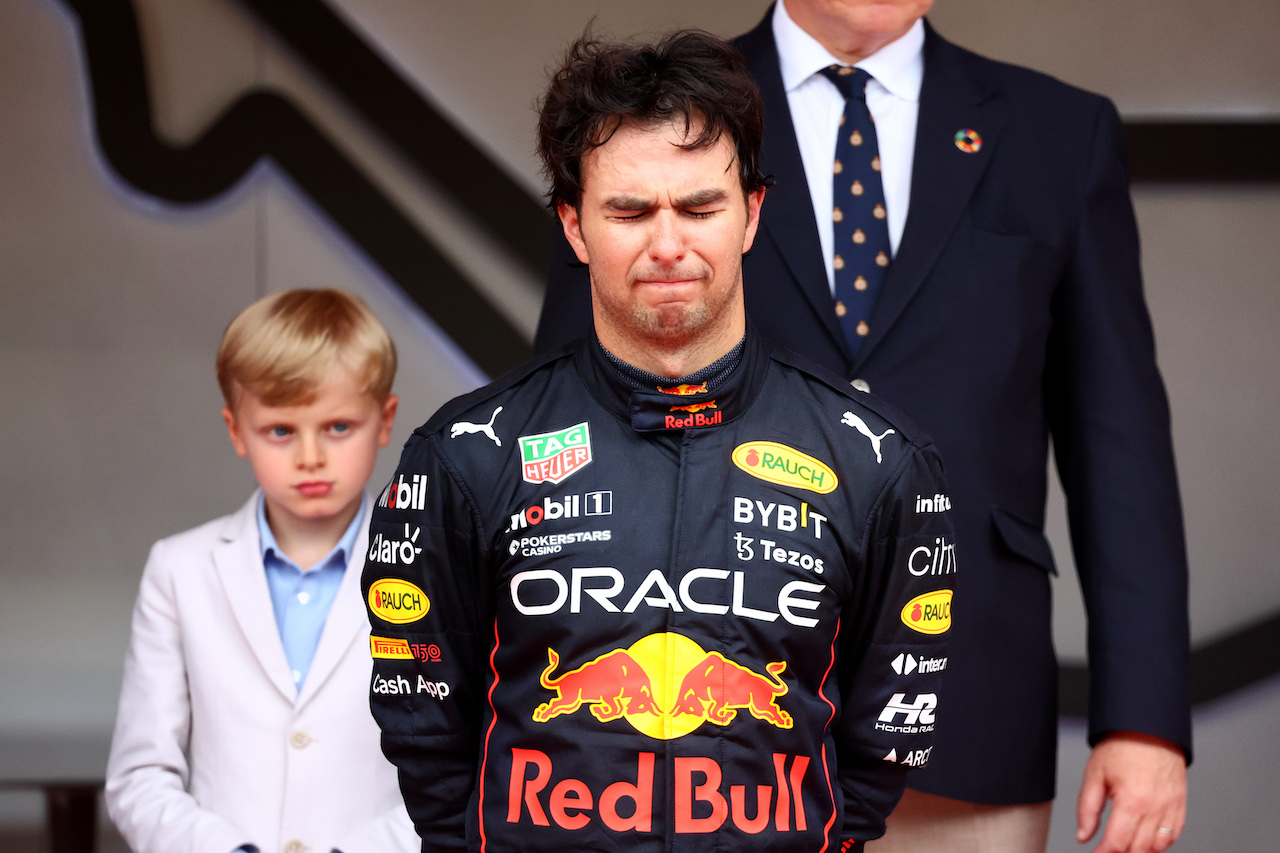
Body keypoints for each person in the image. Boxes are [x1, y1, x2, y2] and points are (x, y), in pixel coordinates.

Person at [536, 3, 1192, 853]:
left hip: (966, 704)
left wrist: (1144, 721)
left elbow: (1120, 445)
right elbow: (566, 412)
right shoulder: (643, 114)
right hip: (695, 700)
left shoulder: (1057, 132)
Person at [364, 30, 958, 852]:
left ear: (752, 212)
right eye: (631, 210)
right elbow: (427, 734)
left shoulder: (878, 462)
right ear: (574, 227)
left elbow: (880, 743)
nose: (669, 243)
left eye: (700, 207)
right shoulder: (465, 456)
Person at [106, 289, 418, 853]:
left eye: (338, 426)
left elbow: (463, 769)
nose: (310, 457)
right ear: (235, 429)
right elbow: (139, 776)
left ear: (385, 419)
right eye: (280, 430)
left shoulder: (435, 568)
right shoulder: (179, 571)